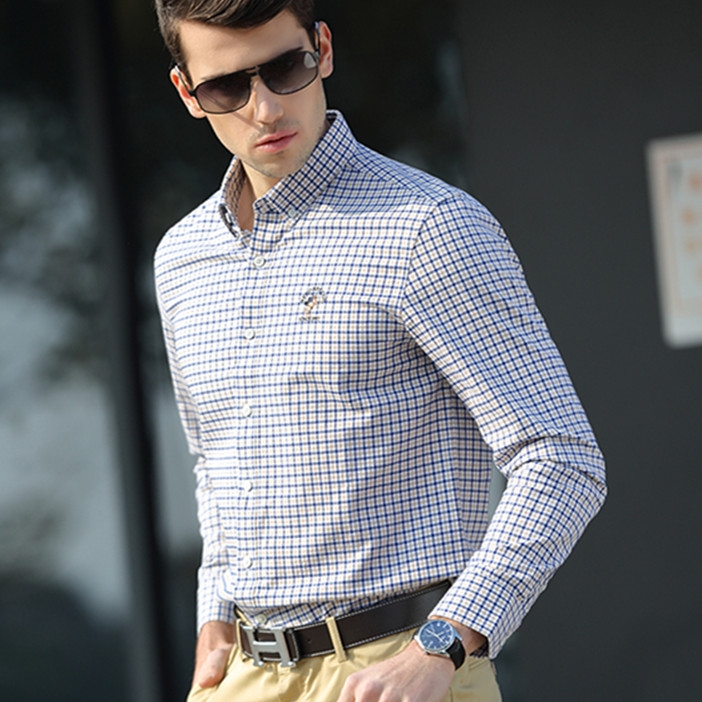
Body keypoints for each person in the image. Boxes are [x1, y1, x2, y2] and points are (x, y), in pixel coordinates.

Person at [153, 1, 607, 700]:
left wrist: (443, 645)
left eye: (285, 68)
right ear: (187, 93)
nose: (265, 108)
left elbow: (561, 458)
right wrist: (214, 613)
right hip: (245, 672)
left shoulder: (429, 226)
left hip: (400, 666)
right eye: (227, 87)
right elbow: (215, 462)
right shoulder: (182, 259)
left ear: (324, 49)